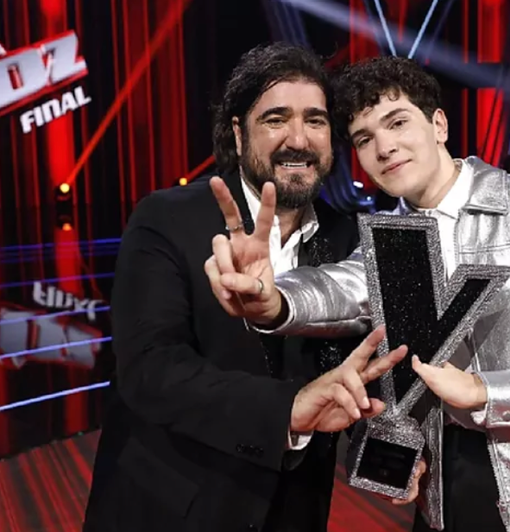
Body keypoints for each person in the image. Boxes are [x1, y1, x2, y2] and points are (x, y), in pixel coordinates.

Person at [205, 56, 510, 532]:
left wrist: (487, 391)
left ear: (438, 124)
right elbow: (340, 285)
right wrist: (274, 301)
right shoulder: (391, 237)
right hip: (442, 496)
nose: (385, 147)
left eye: (397, 123)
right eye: (365, 139)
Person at [82, 43, 412, 532]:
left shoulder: (351, 239)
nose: (298, 139)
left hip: (295, 512)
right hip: (170, 509)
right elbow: (150, 368)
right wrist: (288, 410)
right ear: (239, 135)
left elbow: (365, 370)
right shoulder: (168, 218)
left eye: (316, 121)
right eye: (276, 119)